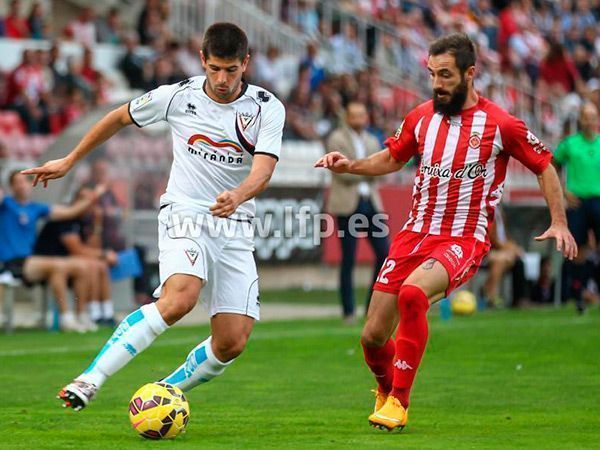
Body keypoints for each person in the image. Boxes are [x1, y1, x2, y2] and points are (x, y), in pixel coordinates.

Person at [315, 33, 576, 431]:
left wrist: (558, 221)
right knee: (371, 338)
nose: (437, 83)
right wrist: (350, 166)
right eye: (433, 74)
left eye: (446, 75)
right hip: (413, 235)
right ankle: (386, 391)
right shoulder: (421, 117)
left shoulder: (499, 123)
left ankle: (399, 404)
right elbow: (391, 157)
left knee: (414, 294)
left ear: (471, 74)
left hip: (462, 238)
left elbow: (544, 166)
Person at [24, 23, 285, 411]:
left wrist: (238, 195)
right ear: (202, 60)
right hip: (184, 211)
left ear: (245, 63)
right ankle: (89, 379)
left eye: (231, 70)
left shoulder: (267, 107)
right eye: (214, 68)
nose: (222, 79)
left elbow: (262, 171)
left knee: (232, 342)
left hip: (234, 221)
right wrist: (70, 159)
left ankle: (163, 392)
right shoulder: (178, 96)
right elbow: (118, 116)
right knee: (180, 298)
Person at [0, 170, 105, 332]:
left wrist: (93, 197)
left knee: (83, 267)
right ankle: (66, 318)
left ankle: (81, 315)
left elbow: (70, 212)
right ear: (11, 186)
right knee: (58, 265)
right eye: (17, 182)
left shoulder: (36, 208)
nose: (21, 185)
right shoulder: (5, 204)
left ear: (31, 184)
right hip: (10, 262)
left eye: (24, 181)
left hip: (31, 262)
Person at [326, 101, 389, 323]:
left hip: (371, 202)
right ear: (347, 117)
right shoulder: (336, 138)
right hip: (348, 204)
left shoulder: (372, 140)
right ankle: (348, 311)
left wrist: (356, 167)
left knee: (385, 253)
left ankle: (372, 305)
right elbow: (339, 172)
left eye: (362, 114)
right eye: (355, 115)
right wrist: (366, 168)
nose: (359, 119)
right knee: (348, 258)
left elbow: (381, 169)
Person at [34, 187, 118, 327]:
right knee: (93, 264)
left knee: (100, 265)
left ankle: (106, 314)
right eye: (84, 199)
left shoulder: (83, 220)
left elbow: (92, 249)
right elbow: (77, 250)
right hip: (49, 260)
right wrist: (104, 254)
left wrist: (97, 224)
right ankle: (91, 313)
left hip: (69, 262)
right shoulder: (66, 219)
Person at [553, 102, 600, 313]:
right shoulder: (570, 144)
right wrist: (563, 190)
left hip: (598, 200)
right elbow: (551, 165)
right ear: (580, 120)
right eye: (586, 116)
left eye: (593, 116)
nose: (589, 120)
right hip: (578, 202)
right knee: (578, 250)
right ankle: (579, 295)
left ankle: (593, 292)